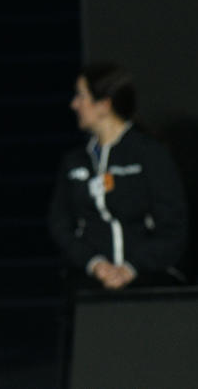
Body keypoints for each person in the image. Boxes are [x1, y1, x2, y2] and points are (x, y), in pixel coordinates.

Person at [48, 62, 188, 290]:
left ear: (104, 105)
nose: (74, 104)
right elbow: (60, 225)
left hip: (149, 281)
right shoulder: (74, 162)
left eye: (81, 96)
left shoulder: (149, 155)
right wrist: (95, 264)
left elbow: (173, 227)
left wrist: (131, 268)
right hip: (89, 284)